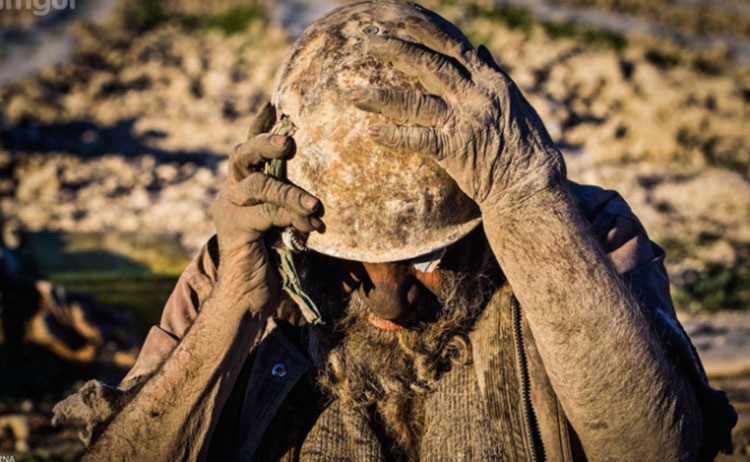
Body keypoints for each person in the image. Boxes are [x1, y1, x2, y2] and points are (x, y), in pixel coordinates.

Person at [54, 2, 736, 461]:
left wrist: (527, 200)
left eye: (423, 256)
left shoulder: (578, 232)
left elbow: (659, 447)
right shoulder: (241, 266)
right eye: (348, 259)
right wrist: (233, 307)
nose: (387, 299)